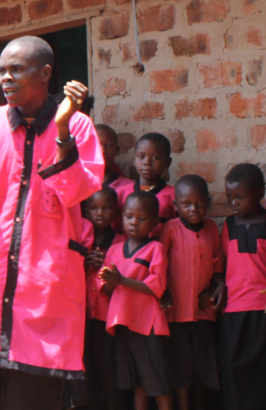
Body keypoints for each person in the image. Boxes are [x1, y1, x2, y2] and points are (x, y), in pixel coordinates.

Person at [0, 35, 103, 408]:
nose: (6, 79)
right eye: (2, 71)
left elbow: (75, 190)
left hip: (43, 292)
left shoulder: (77, 125)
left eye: (16, 70)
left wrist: (61, 131)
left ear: (45, 73)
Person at [218, 163, 266, 410]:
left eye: (240, 197)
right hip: (234, 311)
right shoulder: (229, 225)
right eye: (230, 197)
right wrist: (219, 284)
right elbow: (223, 263)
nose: (234, 202)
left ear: (259, 194)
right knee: (234, 371)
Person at [100, 191, 171, 410]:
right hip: (123, 322)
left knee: (157, 381)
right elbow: (106, 289)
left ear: (154, 222)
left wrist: (122, 280)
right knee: (138, 380)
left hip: (147, 324)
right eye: (129, 216)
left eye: (142, 218)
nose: (134, 222)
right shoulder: (114, 250)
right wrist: (112, 281)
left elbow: (157, 286)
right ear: (122, 217)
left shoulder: (155, 248)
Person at [159, 175, 222, 409]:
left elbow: (216, 265)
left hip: (202, 311)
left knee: (203, 369)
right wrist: (163, 290)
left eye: (200, 203)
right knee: (181, 371)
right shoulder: (170, 229)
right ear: (176, 205)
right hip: (176, 313)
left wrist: (218, 287)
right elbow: (159, 264)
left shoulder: (212, 228)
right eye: (186, 204)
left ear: (208, 202)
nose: (194, 209)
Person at [79, 187, 123, 410]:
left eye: (107, 208)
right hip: (83, 314)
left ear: (117, 211)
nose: (100, 213)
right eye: (94, 208)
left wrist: (106, 264)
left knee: (109, 367)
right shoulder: (81, 240)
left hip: (110, 317)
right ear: (86, 211)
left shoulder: (122, 241)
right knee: (86, 366)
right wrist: (84, 263)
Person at [114, 133, 176, 233]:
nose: (147, 162)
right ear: (134, 160)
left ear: (167, 162)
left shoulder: (173, 196)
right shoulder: (121, 193)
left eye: (156, 158)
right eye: (142, 156)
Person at [96, 124, 129, 193]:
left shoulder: (128, 188)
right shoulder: (78, 185)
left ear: (117, 150)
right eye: (97, 145)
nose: (103, 151)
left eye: (109, 146)